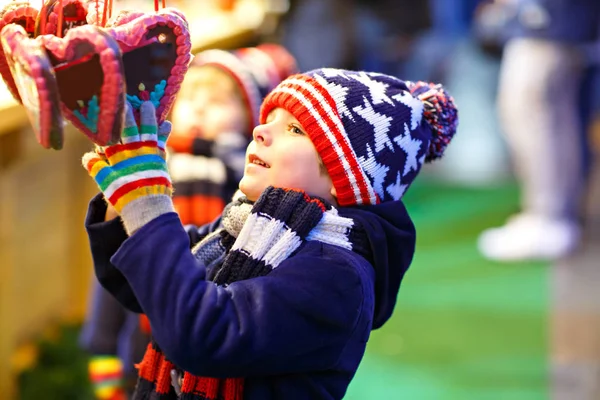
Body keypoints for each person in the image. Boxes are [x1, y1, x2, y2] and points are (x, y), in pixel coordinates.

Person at [82, 67, 458, 399]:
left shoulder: (337, 275)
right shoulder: (251, 226)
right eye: (269, 120)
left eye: (294, 129)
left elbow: (203, 334)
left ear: (344, 178)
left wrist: (147, 206)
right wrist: (124, 191)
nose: (260, 130)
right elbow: (146, 288)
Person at [79, 43, 298, 398]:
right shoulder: (154, 171)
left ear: (249, 118)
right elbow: (120, 264)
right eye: (189, 97)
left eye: (217, 102)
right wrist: (102, 344)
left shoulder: (249, 184)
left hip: (212, 323)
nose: (198, 109)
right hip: (142, 332)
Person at [477, 0, 600, 261]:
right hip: (551, 19)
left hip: (553, 18)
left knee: (535, 106)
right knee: (538, 108)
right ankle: (549, 215)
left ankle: (549, 218)